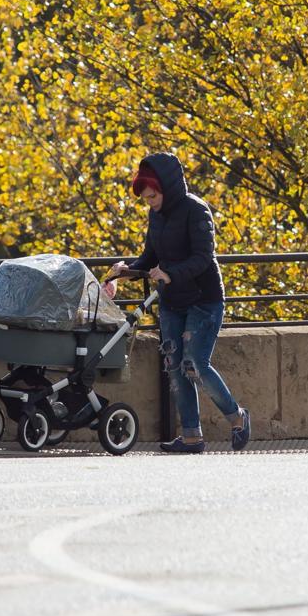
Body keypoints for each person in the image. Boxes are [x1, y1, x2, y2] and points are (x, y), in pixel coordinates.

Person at [108, 152, 250, 453]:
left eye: (153, 196)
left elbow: (203, 258)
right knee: (174, 365)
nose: (151, 202)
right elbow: (151, 256)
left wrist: (171, 273)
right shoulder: (156, 215)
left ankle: (237, 417)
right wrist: (127, 271)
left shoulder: (196, 210)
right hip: (172, 301)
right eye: (146, 199)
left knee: (195, 363)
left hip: (204, 299)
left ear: (167, 188)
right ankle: (191, 436)